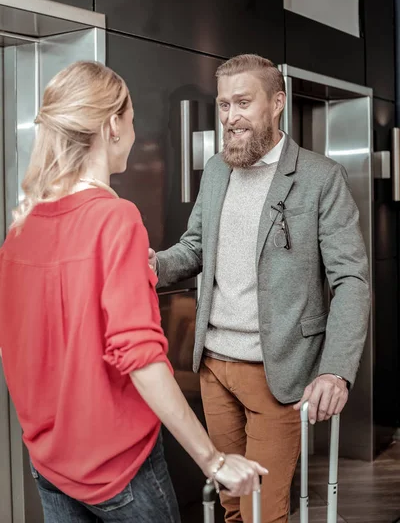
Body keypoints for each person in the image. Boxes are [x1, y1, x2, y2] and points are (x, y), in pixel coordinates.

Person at [0, 61, 267, 523]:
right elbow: (141, 358)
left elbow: (19, 351)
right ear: (111, 126)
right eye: (132, 117)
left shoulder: (20, 230)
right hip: (121, 471)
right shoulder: (115, 218)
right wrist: (214, 459)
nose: (135, 128)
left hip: (50, 466)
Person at [149, 54, 370, 523]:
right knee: (232, 504)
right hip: (212, 367)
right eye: (224, 105)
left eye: (243, 103)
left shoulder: (320, 178)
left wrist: (336, 370)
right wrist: (151, 265)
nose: (230, 117)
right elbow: (194, 248)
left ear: (277, 103)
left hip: (278, 373)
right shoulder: (215, 170)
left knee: (264, 513)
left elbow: (350, 279)